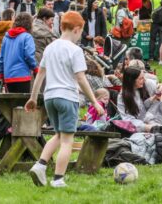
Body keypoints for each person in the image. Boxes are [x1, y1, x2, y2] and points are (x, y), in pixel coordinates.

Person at [26, 11, 104, 188]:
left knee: (59, 135)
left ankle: (40, 165)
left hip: (49, 97)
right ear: (77, 29)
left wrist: (33, 98)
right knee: (68, 139)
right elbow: (81, 78)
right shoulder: (75, 50)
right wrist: (94, 101)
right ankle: (58, 179)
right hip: (67, 97)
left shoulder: (50, 48)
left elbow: (39, 75)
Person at [0, 12, 37, 94]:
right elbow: (29, 55)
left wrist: (1, 73)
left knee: (11, 105)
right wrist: (35, 68)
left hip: (8, 76)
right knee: (23, 103)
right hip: (23, 76)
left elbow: (1, 58)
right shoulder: (27, 37)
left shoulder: (6, 38)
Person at [115, 67, 158, 132]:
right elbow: (127, 118)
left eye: (143, 77)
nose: (144, 80)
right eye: (140, 78)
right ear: (131, 80)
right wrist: (145, 127)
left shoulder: (146, 86)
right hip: (137, 129)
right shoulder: (122, 97)